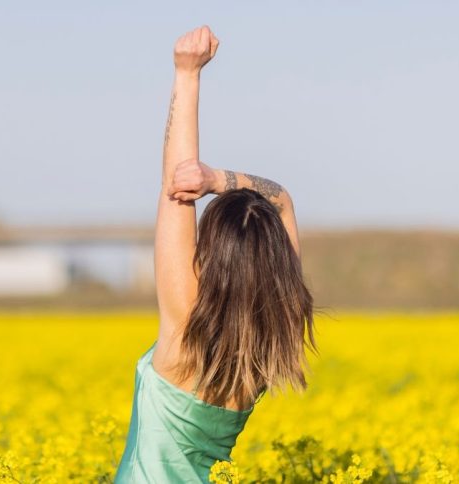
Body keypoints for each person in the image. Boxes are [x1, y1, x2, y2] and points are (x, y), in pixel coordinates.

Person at [113, 25, 318, 483]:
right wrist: (219, 179)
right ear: (278, 266)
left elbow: (176, 189)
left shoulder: (185, 328)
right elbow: (282, 201)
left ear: (212, 255)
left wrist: (187, 75)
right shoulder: (274, 339)